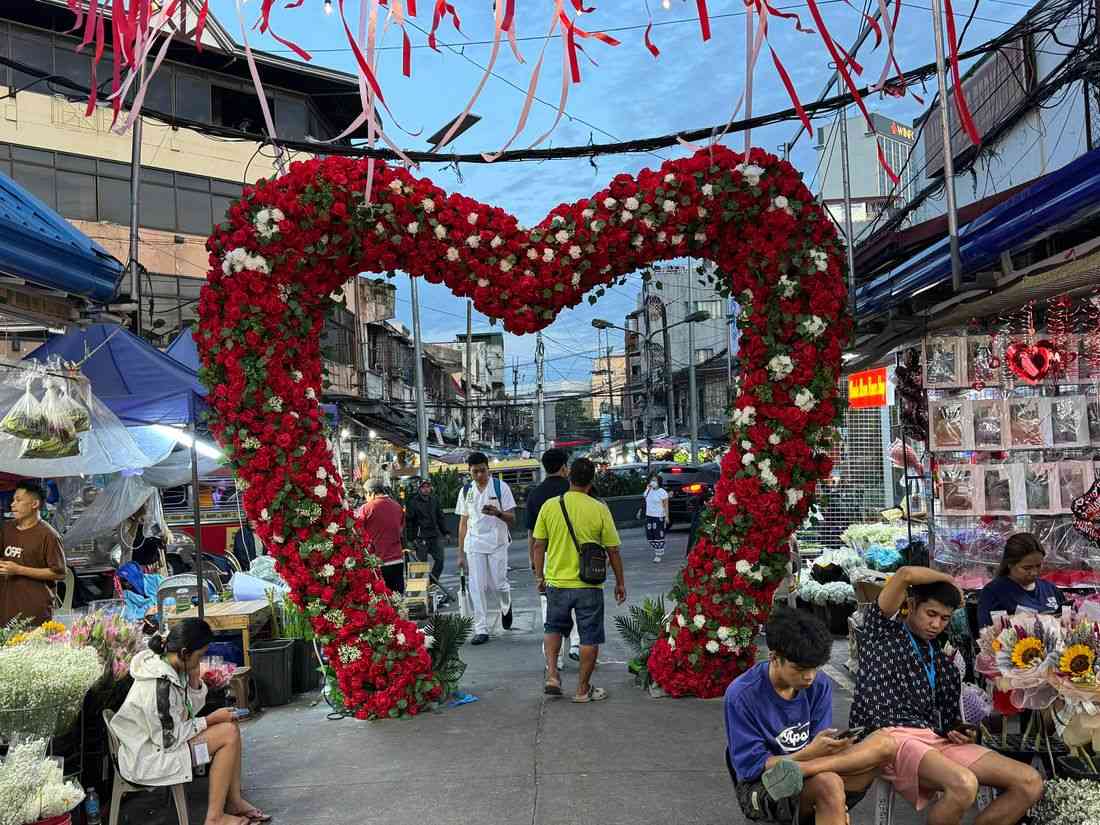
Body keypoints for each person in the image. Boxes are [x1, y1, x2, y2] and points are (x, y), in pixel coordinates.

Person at [849, 566, 1043, 824]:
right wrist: (951, 581)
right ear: (911, 605)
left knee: (1030, 782)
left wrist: (962, 732)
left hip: (931, 739)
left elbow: (949, 723)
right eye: (931, 614)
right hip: (887, 738)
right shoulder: (882, 632)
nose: (936, 624)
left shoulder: (944, 664)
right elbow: (905, 574)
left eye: (945, 618)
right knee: (964, 784)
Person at [725, 608, 890, 824]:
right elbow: (751, 768)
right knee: (829, 785)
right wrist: (808, 753)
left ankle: (826, 801)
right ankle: (830, 805)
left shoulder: (819, 685)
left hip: (812, 769)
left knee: (885, 744)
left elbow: (818, 745)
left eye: (814, 668)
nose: (809, 677)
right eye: (800, 669)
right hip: (763, 785)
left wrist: (832, 747)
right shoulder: (742, 695)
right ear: (774, 658)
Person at [109, 620, 270, 825]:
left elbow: (187, 711)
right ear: (185, 653)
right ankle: (214, 818)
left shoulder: (171, 666)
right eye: (200, 656)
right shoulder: (158, 685)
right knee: (227, 734)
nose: (200, 661)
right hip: (149, 757)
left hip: (160, 744)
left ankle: (234, 801)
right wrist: (210, 720)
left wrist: (194, 682)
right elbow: (169, 739)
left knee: (231, 727)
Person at [531, 458, 626, 703]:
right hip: (589, 585)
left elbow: (539, 545)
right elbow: (613, 550)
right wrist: (620, 583)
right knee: (589, 637)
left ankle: (553, 676)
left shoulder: (550, 506)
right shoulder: (599, 508)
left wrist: (540, 576)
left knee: (553, 628)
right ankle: (583, 690)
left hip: (557, 583)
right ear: (591, 481)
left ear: (569, 477)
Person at [525, 449, 580, 667]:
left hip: (548, 556)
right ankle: (576, 643)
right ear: (564, 467)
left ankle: (555, 659)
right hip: (575, 553)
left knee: (550, 606)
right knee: (577, 598)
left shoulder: (535, 495)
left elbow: (533, 535)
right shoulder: (574, 489)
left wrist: (534, 563)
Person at [455, 452, 516, 645]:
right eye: (475, 472)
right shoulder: (466, 491)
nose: (480, 475)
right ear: (469, 471)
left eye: (483, 470)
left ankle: (506, 605)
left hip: (497, 542)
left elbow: (512, 518)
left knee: (499, 584)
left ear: (488, 469)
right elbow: (463, 523)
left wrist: (497, 513)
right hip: (474, 544)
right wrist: (460, 553)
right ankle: (481, 628)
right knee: (477, 586)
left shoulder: (500, 487)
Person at [0, 480, 66, 627]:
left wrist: (19, 570)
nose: (12, 504)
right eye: (13, 500)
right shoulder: (6, 529)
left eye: (18, 500)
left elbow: (59, 573)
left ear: (34, 504)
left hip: (34, 611)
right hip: (6, 608)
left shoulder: (49, 535)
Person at [978, 533, 1065, 628]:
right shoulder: (993, 593)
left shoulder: (1051, 589)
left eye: (1038, 566)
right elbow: (987, 631)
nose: (1034, 572)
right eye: (1027, 568)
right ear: (1010, 564)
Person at [405, 478, 454, 605]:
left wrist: (446, 532)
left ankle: (431, 584)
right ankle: (419, 593)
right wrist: (411, 539)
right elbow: (409, 522)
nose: (426, 489)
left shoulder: (434, 500)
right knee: (421, 566)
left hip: (434, 535)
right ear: (419, 489)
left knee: (440, 561)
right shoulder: (413, 502)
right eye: (423, 487)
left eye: (428, 487)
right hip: (421, 538)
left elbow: (440, 517)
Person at [357, 478, 407, 594]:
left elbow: (358, 531)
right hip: (397, 559)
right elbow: (401, 529)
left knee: (382, 599)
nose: (366, 498)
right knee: (397, 597)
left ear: (371, 493)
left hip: (378, 561)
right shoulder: (397, 506)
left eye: (366, 494)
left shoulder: (366, 509)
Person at [643, 474, 670, 563]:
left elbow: (666, 506)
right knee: (649, 536)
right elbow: (644, 497)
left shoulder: (662, 492)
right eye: (652, 480)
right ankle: (658, 549)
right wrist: (648, 488)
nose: (653, 482)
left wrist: (667, 516)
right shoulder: (649, 490)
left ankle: (658, 554)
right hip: (649, 516)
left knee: (658, 536)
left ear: (659, 482)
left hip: (658, 516)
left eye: (655, 480)